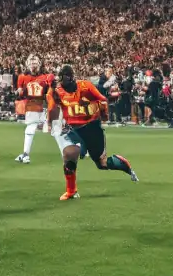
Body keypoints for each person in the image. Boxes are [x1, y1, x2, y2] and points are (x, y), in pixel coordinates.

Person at [48, 64, 137, 201]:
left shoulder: (86, 86)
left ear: (73, 79)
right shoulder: (57, 91)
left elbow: (102, 100)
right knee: (70, 154)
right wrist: (51, 123)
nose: (65, 87)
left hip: (92, 127)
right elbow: (52, 108)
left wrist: (96, 109)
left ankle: (124, 165)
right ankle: (71, 191)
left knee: (102, 164)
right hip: (73, 128)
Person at [14, 55, 55, 163]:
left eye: (35, 62)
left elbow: (51, 91)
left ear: (39, 63)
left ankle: (26, 154)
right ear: (27, 64)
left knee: (31, 128)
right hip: (37, 106)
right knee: (57, 128)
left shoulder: (45, 76)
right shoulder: (23, 77)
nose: (33, 64)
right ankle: (78, 147)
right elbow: (19, 93)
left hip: (39, 106)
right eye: (31, 62)